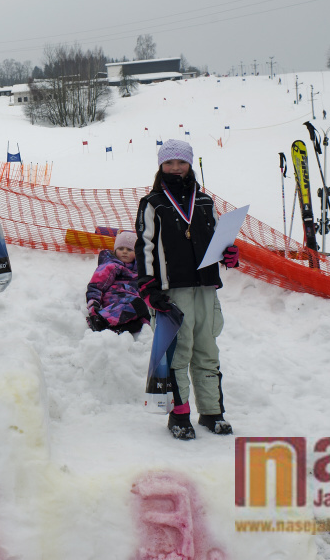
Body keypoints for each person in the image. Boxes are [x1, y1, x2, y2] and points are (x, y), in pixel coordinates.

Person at [134, 139, 239, 441]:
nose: (176, 168)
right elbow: (145, 246)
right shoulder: (153, 203)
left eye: (181, 162)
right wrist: (147, 286)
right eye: (169, 163)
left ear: (190, 164)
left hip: (205, 288)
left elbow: (219, 239)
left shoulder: (205, 202)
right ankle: (179, 415)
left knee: (207, 351)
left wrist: (229, 254)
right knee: (178, 353)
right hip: (172, 291)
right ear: (161, 166)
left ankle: (212, 412)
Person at [85, 230, 150, 334]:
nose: (124, 252)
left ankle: (114, 330)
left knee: (143, 319)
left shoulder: (139, 270)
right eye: (121, 248)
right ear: (115, 250)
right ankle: (100, 320)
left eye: (129, 249)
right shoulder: (111, 265)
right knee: (139, 305)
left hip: (132, 301)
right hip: (115, 298)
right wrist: (93, 305)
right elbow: (96, 285)